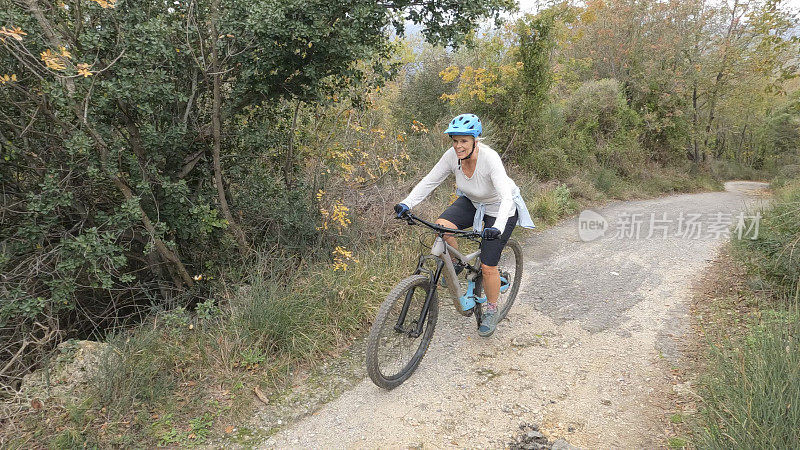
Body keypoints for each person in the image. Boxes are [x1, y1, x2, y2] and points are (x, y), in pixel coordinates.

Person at [394, 113, 535, 337]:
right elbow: (429, 181)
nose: (458, 146)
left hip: (501, 208)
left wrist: (496, 227)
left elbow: (507, 197)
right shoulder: (452, 156)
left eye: (464, 141)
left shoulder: (489, 158)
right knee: (441, 226)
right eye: (455, 140)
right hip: (473, 201)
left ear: (475, 140)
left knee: (489, 266)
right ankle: (458, 263)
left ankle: (491, 308)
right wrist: (406, 203)